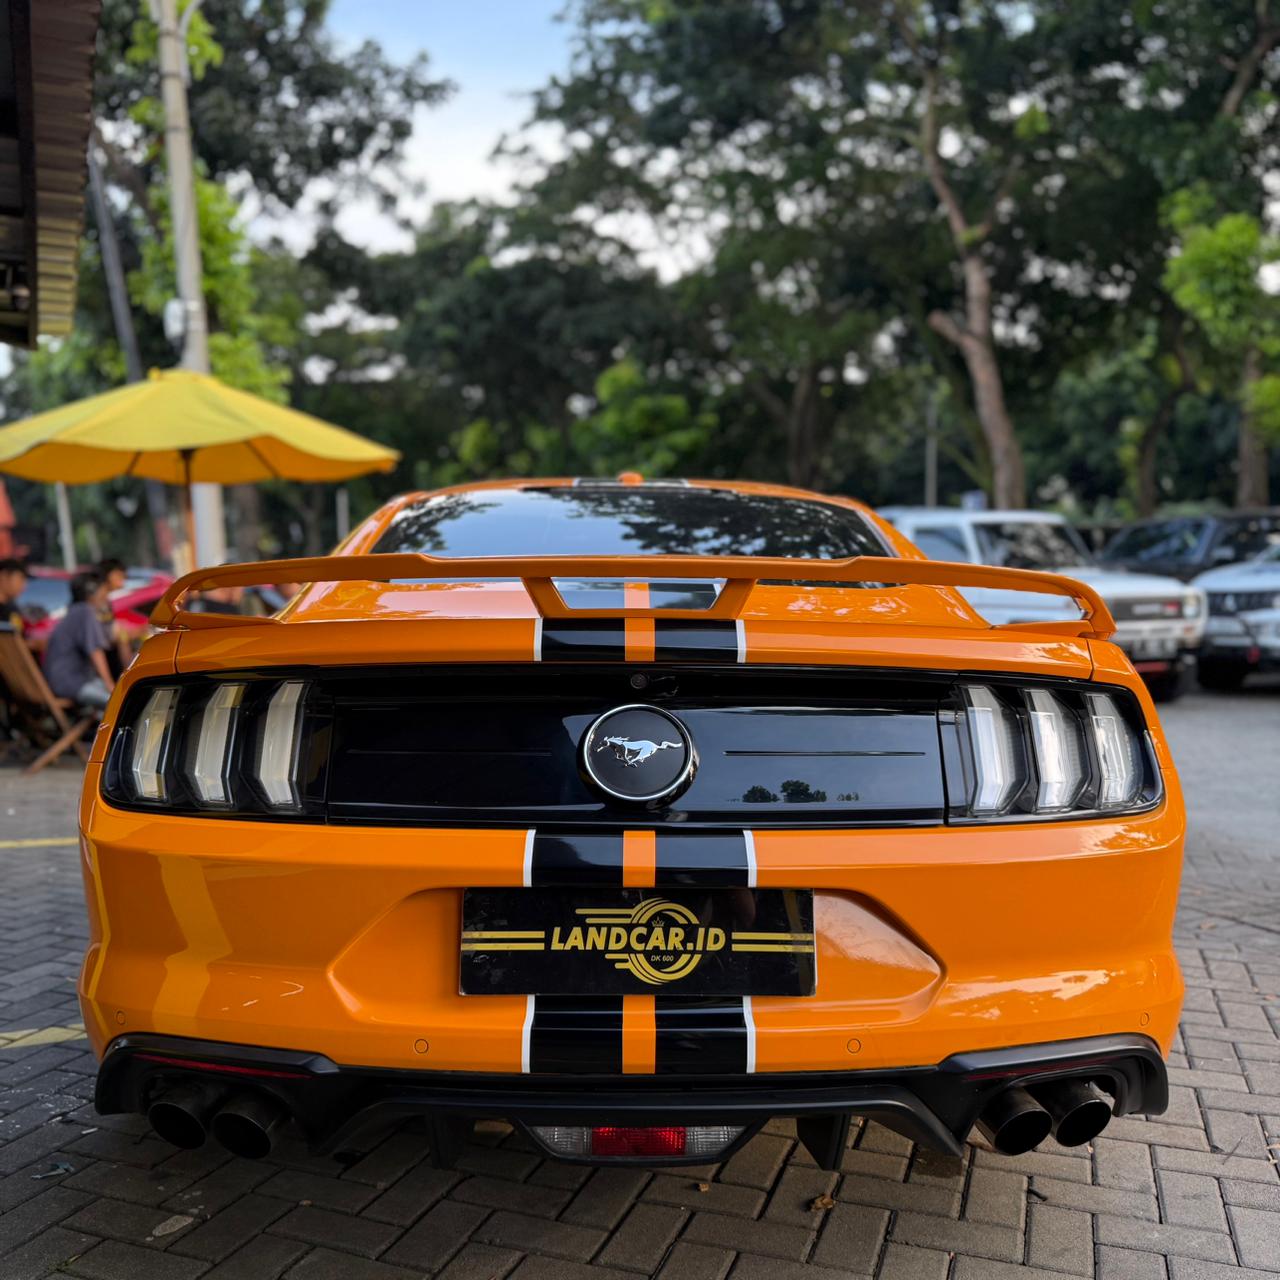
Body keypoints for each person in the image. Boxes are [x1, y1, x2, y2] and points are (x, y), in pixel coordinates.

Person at [43, 572, 115, 710]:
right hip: (71, 683)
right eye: (104, 590)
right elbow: (96, 651)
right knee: (118, 704)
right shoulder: (85, 611)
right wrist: (109, 685)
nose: (106, 596)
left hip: (62, 680)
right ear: (91, 591)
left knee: (121, 695)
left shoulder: (75, 610)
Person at [0, 557, 28, 635]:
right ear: (3, 576)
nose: (24, 586)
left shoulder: (13, 610)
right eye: (21, 579)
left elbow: (18, 637)